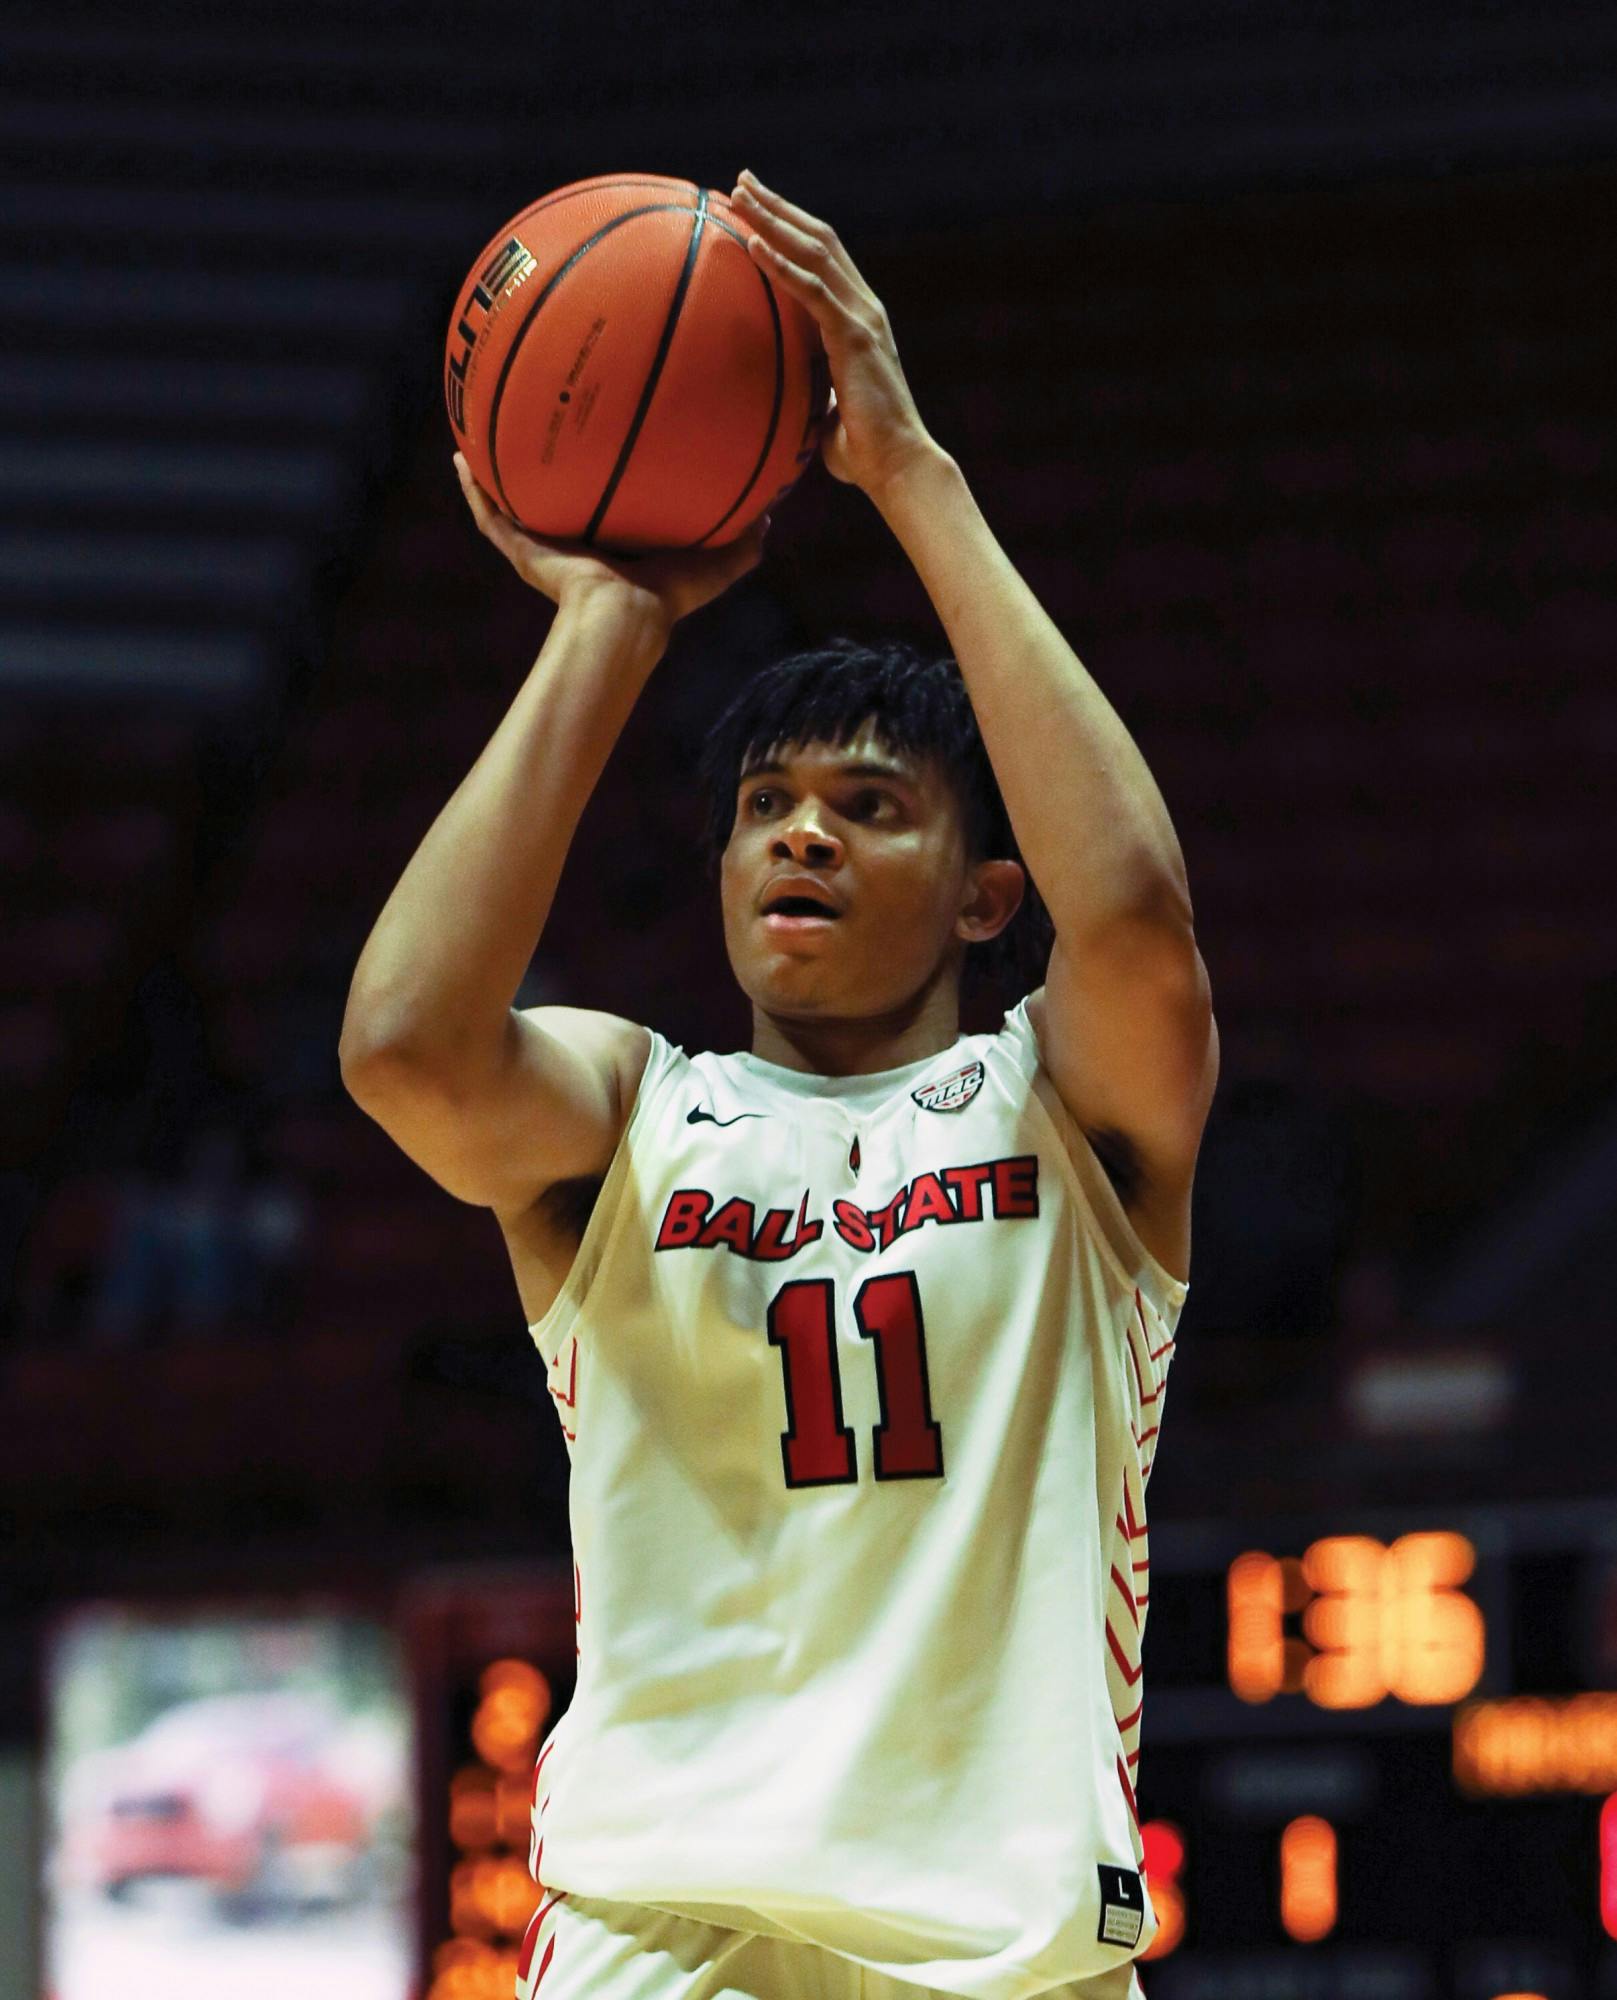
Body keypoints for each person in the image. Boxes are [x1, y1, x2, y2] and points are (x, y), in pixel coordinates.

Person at [341, 170, 1218, 2000]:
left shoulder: (1065, 1108)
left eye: (868, 808)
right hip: (662, 1948)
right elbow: (408, 1050)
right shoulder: (628, 1105)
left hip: (1010, 1962)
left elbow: (1130, 912)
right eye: (764, 810)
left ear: (987, 896)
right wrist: (609, 619)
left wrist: (911, 478)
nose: (798, 837)